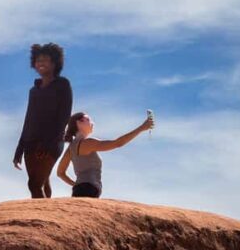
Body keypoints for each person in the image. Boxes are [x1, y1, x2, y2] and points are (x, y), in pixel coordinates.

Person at [13, 43, 73, 198]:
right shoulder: (34, 90)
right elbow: (28, 119)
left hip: (51, 143)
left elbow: (64, 115)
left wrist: (50, 142)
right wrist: (19, 149)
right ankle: (48, 211)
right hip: (30, 143)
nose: (41, 63)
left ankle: (42, 221)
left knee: (34, 184)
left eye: (45, 60)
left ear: (54, 63)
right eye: (38, 60)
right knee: (43, 182)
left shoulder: (62, 85)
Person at [56, 111, 154, 198]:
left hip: (79, 190)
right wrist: (141, 128)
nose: (92, 123)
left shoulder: (70, 149)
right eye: (88, 120)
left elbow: (60, 173)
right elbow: (117, 143)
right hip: (89, 189)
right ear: (79, 123)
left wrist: (76, 184)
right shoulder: (88, 143)